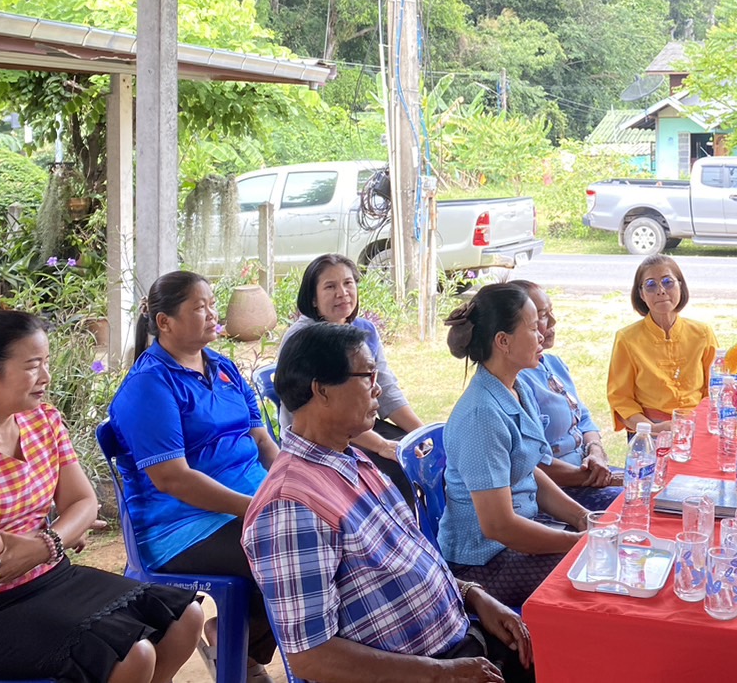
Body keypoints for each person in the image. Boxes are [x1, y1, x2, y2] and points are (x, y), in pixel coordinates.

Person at [243, 320, 532, 683]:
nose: (378, 389)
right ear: (322, 391)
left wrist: (474, 597)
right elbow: (312, 657)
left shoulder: (351, 459)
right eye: (367, 376)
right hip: (424, 671)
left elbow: (406, 564)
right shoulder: (290, 506)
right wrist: (439, 674)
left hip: (458, 647)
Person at [0, 312, 203, 683]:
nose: (46, 378)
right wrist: (66, 532)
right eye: (32, 366)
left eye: (47, 363)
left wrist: (48, 541)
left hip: (53, 578)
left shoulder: (43, 421)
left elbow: (86, 503)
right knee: (132, 654)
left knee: (185, 619)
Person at [107, 271, 280, 679]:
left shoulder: (222, 366)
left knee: (330, 530)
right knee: (293, 546)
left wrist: (292, 481)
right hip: (183, 528)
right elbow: (175, 480)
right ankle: (250, 646)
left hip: (247, 507)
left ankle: (242, 637)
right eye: (199, 308)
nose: (211, 315)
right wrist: (257, 507)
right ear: (164, 322)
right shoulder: (149, 386)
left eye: (212, 305)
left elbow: (261, 439)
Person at [442, 283, 588, 608]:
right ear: (503, 342)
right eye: (534, 327)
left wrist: (583, 518)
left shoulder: (515, 386)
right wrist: (575, 543)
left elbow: (527, 472)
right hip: (484, 564)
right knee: (592, 576)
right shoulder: (481, 415)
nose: (542, 336)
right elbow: (498, 526)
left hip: (520, 537)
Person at [280, 253, 424, 507]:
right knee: (396, 473)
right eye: (330, 286)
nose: (342, 293)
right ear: (313, 298)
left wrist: (421, 433)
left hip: (360, 421)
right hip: (321, 437)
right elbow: (326, 415)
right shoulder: (304, 340)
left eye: (348, 283)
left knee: (419, 454)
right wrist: (381, 445)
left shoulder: (364, 330)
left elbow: (386, 390)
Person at [512, 279, 622, 511]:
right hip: (557, 490)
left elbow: (583, 417)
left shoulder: (553, 364)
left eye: (551, 311)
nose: (553, 322)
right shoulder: (515, 382)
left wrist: (596, 452)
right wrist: (595, 477)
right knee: (638, 505)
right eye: (541, 316)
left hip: (587, 471)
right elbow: (531, 466)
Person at [606, 254, 718, 431]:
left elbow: (714, 389)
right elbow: (620, 398)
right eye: (651, 285)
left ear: (680, 285)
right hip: (648, 428)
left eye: (668, 282)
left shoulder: (702, 333)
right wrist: (652, 429)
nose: (661, 290)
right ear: (641, 294)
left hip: (697, 424)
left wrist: (696, 423)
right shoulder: (627, 339)